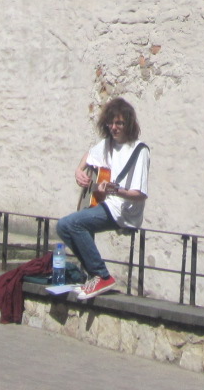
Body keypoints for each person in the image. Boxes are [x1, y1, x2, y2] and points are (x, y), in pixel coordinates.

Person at [57, 96, 149, 301]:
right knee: (62, 227)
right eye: (111, 123)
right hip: (106, 203)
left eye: (119, 123)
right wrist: (79, 170)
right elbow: (89, 154)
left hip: (123, 210)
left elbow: (140, 194)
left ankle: (102, 276)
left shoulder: (139, 150)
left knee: (73, 224)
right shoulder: (106, 144)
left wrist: (116, 191)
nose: (114, 127)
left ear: (128, 124)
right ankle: (94, 275)